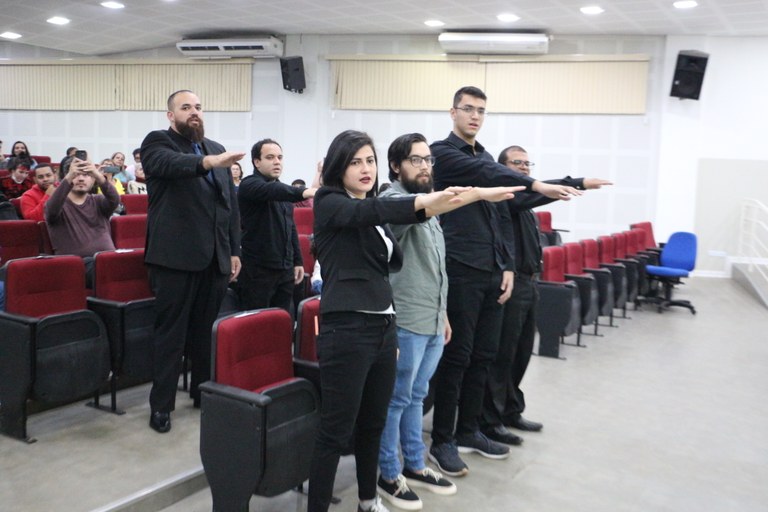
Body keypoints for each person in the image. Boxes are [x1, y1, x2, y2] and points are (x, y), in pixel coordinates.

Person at [306, 129, 519, 512]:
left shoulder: (372, 213)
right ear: (339, 166)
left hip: (384, 327)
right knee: (336, 432)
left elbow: (420, 211)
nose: (365, 168)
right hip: (346, 330)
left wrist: (478, 195)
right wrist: (436, 199)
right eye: (356, 161)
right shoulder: (330, 202)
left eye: (369, 160)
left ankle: (368, 501)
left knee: (373, 423)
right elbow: (392, 208)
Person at [428, 86, 582, 477]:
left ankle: (469, 430)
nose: (475, 116)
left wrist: (506, 267)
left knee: (484, 356)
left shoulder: (482, 157)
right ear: (453, 113)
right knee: (457, 358)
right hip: (460, 269)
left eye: (481, 110)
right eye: (468, 109)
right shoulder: (445, 154)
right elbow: (492, 175)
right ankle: (443, 439)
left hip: (491, 272)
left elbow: (500, 215)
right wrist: (534, 184)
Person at [377, 133, 518, 510]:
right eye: (415, 160)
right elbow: (424, 207)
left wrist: (442, 315)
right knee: (396, 398)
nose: (424, 166)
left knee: (417, 396)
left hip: (432, 319)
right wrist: (479, 194)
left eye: (427, 160)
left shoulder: (431, 207)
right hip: (406, 320)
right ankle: (388, 473)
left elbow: (436, 265)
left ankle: (415, 463)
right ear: (396, 166)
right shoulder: (392, 201)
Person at [480, 146, 612, 447]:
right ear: (502, 167)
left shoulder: (525, 205)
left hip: (530, 283)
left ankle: (511, 409)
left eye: (528, 163)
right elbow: (537, 193)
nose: (525, 168)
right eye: (518, 163)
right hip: (510, 286)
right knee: (503, 355)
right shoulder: (507, 196)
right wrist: (576, 182)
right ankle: (490, 420)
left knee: (522, 351)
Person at [140, 89, 243, 434]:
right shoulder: (159, 142)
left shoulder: (214, 147)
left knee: (204, 333)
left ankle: (201, 392)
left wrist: (234, 250)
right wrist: (207, 164)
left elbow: (228, 205)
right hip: (174, 259)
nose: (194, 112)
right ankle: (161, 406)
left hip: (214, 258)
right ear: (171, 115)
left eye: (198, 107)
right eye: (186, 108)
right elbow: (167, 166)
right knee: (171, 335)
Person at [237, 138, 316, 315]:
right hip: (258, 270)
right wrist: (304, 191)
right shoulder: (249, 185)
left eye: (280, 157)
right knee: (255, 324)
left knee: (281, 324)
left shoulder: (281, 189)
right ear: (257, 162)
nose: (277, 162)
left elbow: (291, 227)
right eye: (270, 157)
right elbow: (271, 191)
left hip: (284, 270)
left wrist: (297, 261)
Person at [44, 155, 119, 285]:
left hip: (107, 260)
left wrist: (97, 174)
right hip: (76, 266)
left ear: (93, 179)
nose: (80, 178)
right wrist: (69, 176)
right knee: (109, 269)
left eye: (86, 175)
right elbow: (51, 210)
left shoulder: (98, 201)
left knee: (135, 264)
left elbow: (114, 200)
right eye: (76, 175)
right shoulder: (58, 205)